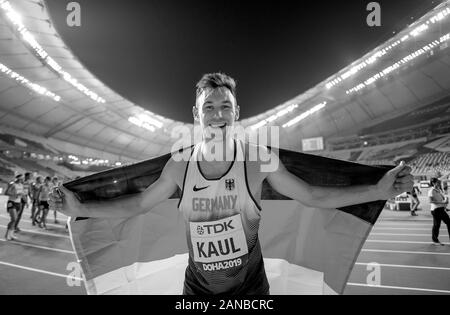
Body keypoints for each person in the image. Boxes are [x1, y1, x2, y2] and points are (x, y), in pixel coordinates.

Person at [50, 72, 414, 295]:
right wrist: (80, 208)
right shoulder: (180, 163)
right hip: (197, 288)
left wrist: (377, 191)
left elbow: (312, 195)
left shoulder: (258, 159)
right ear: (196, 114)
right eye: (209, 107)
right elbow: (139, 204)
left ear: (237, 113)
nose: (218, 114)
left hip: (251, 288)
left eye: (225, 106)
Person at [428, 177, 450, 246]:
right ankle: (434, 239)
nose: (439, 183)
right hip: (436, 210)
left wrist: (445, 204)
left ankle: (434, 239)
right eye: (437, 182)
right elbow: (430, 201)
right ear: (433, 183)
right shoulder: (431, 191)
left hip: (440, 209)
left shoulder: (439, 190)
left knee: (437, 225)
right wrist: (443, 203)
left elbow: (441, 199)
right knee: (438, 225)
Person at [4, 174, 25, 240]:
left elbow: (22, 193)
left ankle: (11, 234)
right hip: (11, 202)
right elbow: (6, 192)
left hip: (18, 203)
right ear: (17, 178)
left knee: (14, 220)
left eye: (22, 178)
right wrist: (15, 194)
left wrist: (23, 197)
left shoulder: (21, 185)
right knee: (14, 219)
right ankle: (7, 234)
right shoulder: (13, 184)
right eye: (20, 178)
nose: (21, 179)